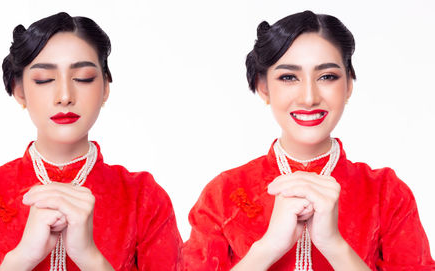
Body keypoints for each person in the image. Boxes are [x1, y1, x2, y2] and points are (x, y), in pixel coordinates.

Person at [182, 10, 434, 270]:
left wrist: (334, 244)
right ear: (263, 87)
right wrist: (267, 247)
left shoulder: (387, 194)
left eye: (327, 76)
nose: (309, 97)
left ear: (348, 84)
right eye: (289, 77)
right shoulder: (225, 194)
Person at [0, 12, 182, 271]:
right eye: (44, 80)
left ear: (105, 88)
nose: (65, 96)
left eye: (83, 78)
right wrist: (20, 259)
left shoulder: (143, 198)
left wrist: (90, 257)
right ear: (20, 90)